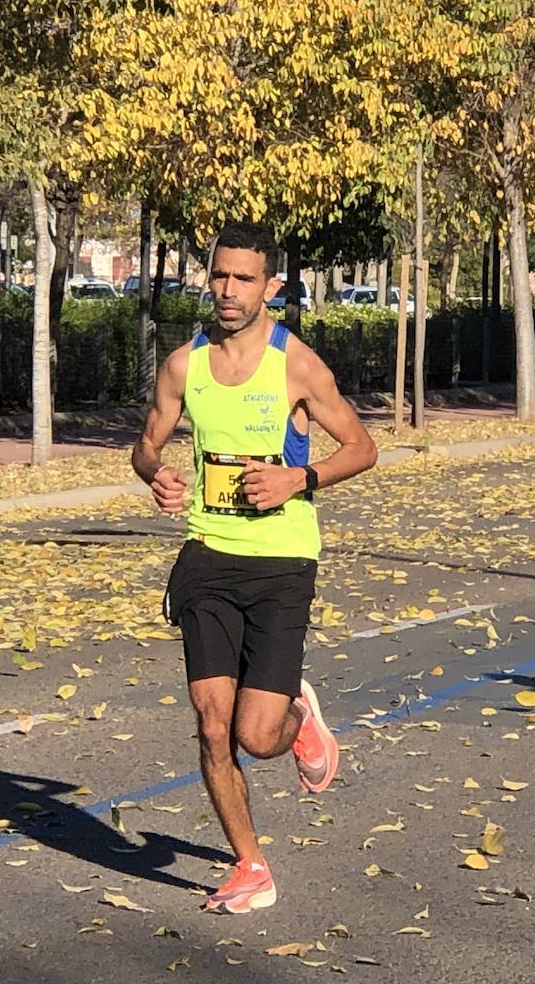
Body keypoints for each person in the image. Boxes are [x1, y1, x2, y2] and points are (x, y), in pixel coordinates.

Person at [132, 221, 378, 912]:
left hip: (280, 563)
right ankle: (250, 865)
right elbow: (146, 445)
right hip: (207, 554)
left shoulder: (296, 363)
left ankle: (298, 719)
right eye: (220, 276)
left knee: (254, 733)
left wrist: (299, 479)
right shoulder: (184, 364)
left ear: (271, 286)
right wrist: (158, 476)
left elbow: (362, 446)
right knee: (212, 724)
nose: (229, 290)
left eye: (244, 279)